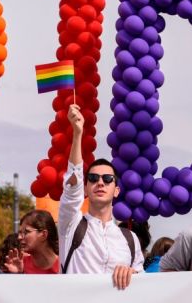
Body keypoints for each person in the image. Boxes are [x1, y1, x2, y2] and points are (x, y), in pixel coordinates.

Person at [59, 104, 144, 290]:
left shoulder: (130, 239)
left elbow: (142, 284)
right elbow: (72, 188)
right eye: (93, 178)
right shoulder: (71, 226)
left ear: (116, 190)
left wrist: (134, 274)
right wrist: (77, 133)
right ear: (86, 189)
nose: (100, 183)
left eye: (107, 179)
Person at [5, 210, 59, 274]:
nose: (19, 237)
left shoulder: (66, 266)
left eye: (26, 232)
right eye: (20, 233)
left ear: (44, 235)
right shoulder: (19, 264)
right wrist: (18, 274)